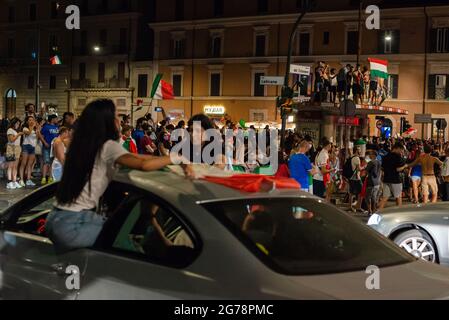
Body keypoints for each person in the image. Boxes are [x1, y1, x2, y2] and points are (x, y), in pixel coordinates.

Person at [45, 99, 193, 253]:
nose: (119, 121)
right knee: (128, 247)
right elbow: (143, 165)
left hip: (56, 219)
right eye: (116, 116)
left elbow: (139, 158)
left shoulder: (83, 145)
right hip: (75, 224)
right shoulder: (108, 146)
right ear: (107, 121)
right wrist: (177, 158)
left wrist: (170, 160)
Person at [378, 143, 407, 210]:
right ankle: (399, 213)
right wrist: (404, 166)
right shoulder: (397, 157)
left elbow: (382, 168)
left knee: (385, 197)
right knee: (398, 197)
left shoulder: (385, 156)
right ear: (397, 148)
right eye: (401, 150)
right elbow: (398, 169)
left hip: (386, 179)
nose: (401, 152)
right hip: (395, 180)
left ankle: (378, 212)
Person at [19, 116, 40, 187]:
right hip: (26, 146)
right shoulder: (25, 128)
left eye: (32, 120)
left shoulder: (34, 129)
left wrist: (37, 129)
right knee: (23, 163)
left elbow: (37, 137)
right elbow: (28, 133)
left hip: (33, 147)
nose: (31, 121)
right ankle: (21, 180)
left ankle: (28, 180)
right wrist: (32, 126)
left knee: (30, 165)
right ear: (27, 121)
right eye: (30, 120)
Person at [40, 114, 59, 185]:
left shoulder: (57, 127)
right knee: (46, 162)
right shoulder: (46, 127)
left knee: (52, 162)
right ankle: (44, 178)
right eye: (56, 119)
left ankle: (51, 177)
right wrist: (44, 143)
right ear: (52, 119)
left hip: (54, 147)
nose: (57, 120)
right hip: (47, 147)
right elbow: (41, 136)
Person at [5, 118, 24, 189]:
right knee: (11, 166)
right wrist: (18, 134)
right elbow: (11, 140)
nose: (18, 125)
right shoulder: (10, 130)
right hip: (11, 148)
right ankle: (9, 182)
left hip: (17, 148)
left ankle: (14, 181)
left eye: (19, 124)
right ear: (13, 123)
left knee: (15, 166)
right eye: (17, 123)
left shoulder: (16, 131)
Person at [365, 150, 381, 214]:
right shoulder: (379, 162)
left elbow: (366, 171)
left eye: (370, 154)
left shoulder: (370, 163)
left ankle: (369, 210)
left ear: (374, 155)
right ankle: (374, 210)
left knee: (367, 197)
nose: (369, 155)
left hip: (371, 182)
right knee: (374, 197)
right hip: (377, 182)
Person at [349, 146, 364, 212]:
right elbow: (358, 169)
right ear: (356, 151)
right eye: (359, 150)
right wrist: (364, 167)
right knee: (362, 192)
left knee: (351, 193)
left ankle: (351, 206)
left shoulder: (352, 157)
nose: (360, 151)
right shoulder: (357, 158)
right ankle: (358, 206)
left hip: (351, 177)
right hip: (356, 178)